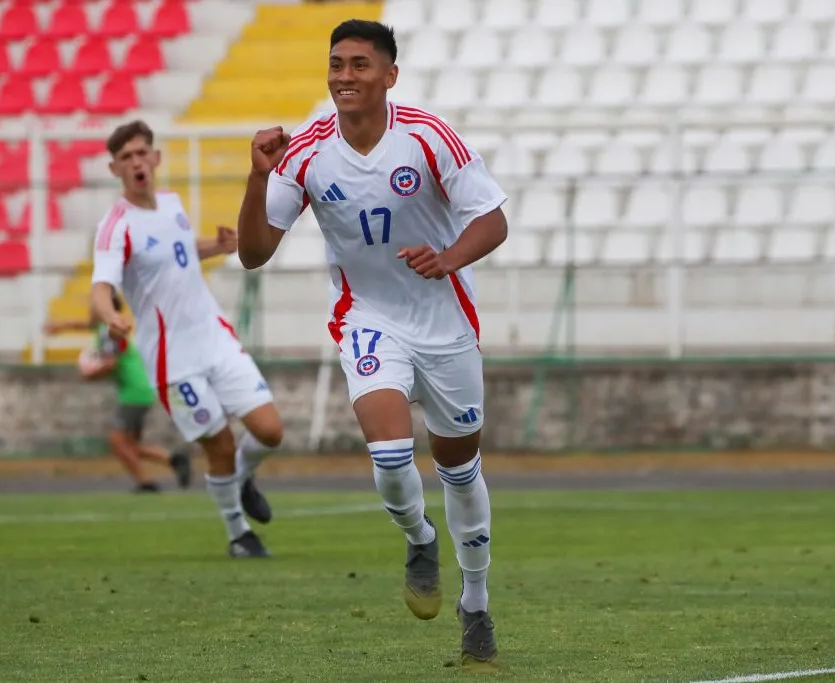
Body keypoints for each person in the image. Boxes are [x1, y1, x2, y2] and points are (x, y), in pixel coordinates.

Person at [236, 19, 507, 666]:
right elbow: (252, 253)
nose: (344, 76)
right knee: (389, 455)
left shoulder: (427, 136)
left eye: (359, 64)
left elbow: (492, 218)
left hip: (446, 323)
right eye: (336, 64)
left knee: (460, 469)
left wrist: (446, 258)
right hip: (369, 320)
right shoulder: (304, 152)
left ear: (389, 75)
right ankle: (418, 538)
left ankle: (475, 603)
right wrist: (255, 176)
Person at [91, 119, 285, 558]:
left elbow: (174, 250)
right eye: (127, 157)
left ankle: (242, 475)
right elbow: (101, 286)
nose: (137, 162)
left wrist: (214, 247)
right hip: (172, 360)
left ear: (155, 159)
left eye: (142, 153)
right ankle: (239, 534)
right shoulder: (115, 226)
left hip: (214, 337)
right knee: (219, 443)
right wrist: (110, 318)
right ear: (115, 169)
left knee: (270, 431)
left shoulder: (170, 204)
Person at [44, 290, 193, 494]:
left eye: (94, 305)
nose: (91, 308)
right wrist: (60, 326)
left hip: (133, 392)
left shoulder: (109, 332)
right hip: (139, 390)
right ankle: (174, 459)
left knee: (117, 442)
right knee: (130, 444)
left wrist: (90, 376)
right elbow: (85, 325)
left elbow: (111, 364)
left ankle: (145, 482)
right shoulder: (106, 327)